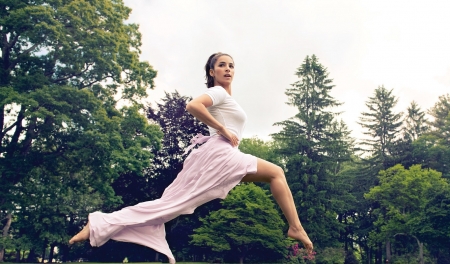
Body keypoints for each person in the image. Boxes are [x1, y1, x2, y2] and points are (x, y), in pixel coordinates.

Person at [69, 52, 313, 263]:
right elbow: (193, 106)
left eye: (231, 65)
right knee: (276, 172)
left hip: (221, 156)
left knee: (171, 205)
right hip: (221, 153)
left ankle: (102, 224)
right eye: (222, 65)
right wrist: (223, 129)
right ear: (212, 71)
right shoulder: (218, 92)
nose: (227, 69)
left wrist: (223, 130)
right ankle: (295, 227)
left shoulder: (225, 97)